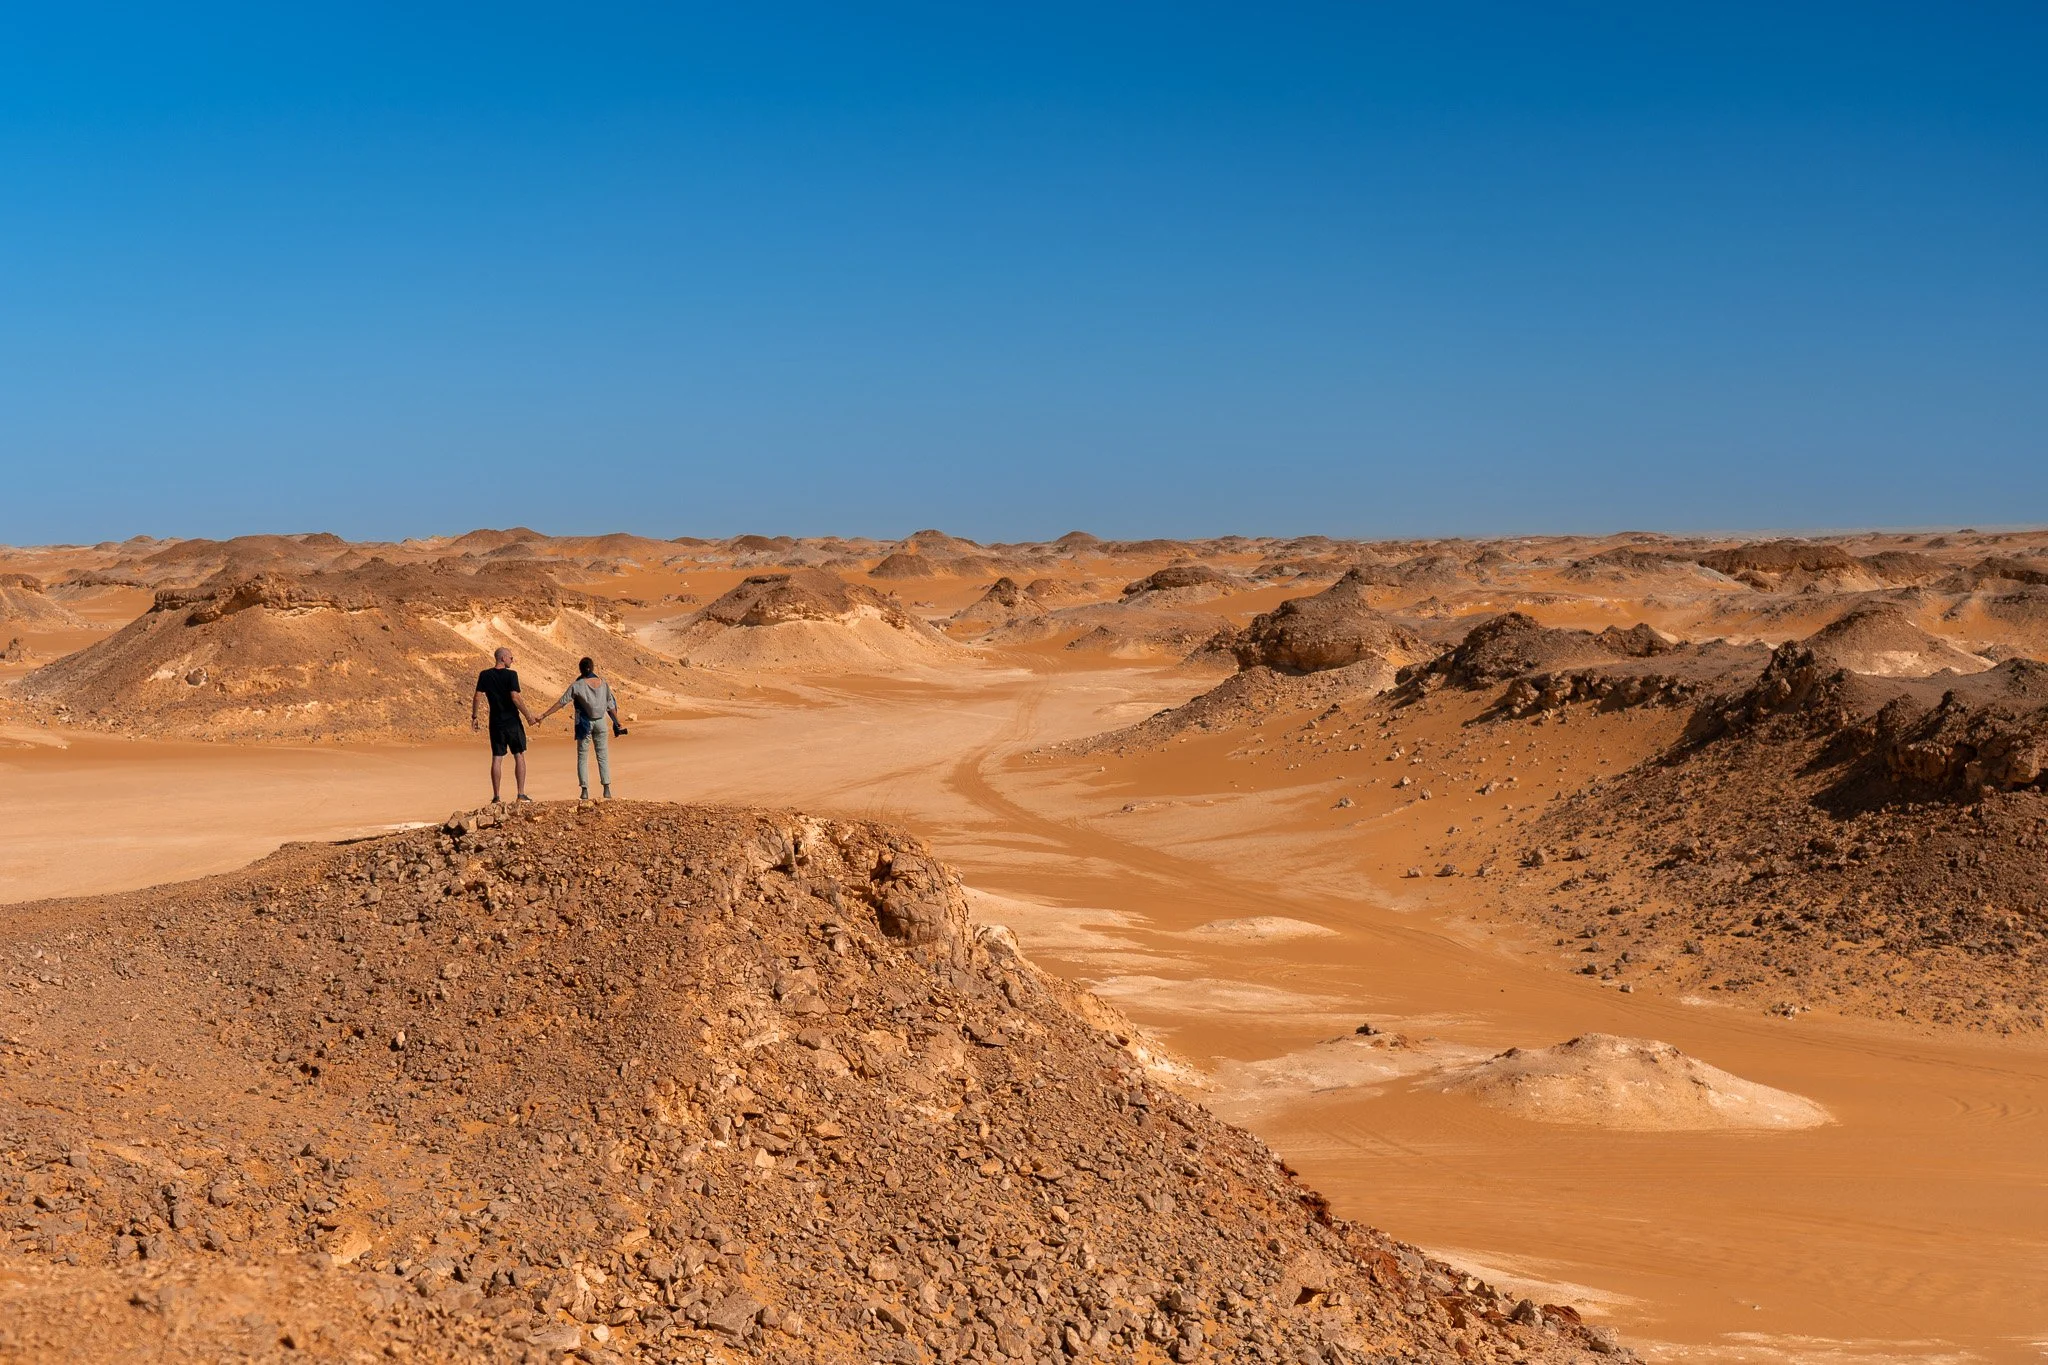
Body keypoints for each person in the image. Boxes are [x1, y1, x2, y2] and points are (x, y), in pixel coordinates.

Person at [534, 656, 625, 800]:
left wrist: (544, 715)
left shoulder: (577, 685)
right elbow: (611, 705)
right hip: (601, 722)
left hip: (584, 723)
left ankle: (584, 790)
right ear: (593, 668)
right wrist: (617, 722)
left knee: (582, 756)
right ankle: (606, 789)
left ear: (580, 669)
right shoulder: (603, 683)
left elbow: (561, 702)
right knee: (603, 756)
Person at [472, 647, 540, 803]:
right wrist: (528, 716)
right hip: (512, 721)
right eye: (510, 657)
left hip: (495, 722)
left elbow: (477, 697)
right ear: (502, 658)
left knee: (497, 757)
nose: (512, 660)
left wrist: (474, 716)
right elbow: (515, 697)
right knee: (519, 755)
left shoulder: (485, 675)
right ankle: (520, 794)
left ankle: (496, 797)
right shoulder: (511, 675)